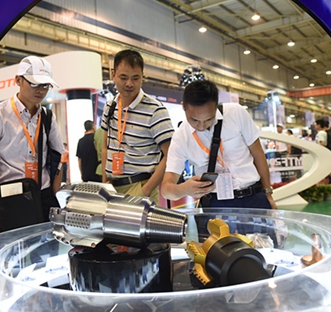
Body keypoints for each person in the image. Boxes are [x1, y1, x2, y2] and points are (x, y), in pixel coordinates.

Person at [0, 55, 65, 236]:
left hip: (43, 197)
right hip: (12, 200)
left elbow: (57, 159)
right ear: (18, 80)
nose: (41, 90)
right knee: (14, 258)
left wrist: (56, 199)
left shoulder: (47, 117)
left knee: (46, 256)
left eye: (45, 85)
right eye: (34, 83)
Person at [162, 80, 276, 209]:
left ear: (216, 107)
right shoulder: (181, 137)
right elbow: (166, 189)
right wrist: (184, 189)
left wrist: (268, 193)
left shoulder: (236, 113)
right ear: (183, 107)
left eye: (209, 119)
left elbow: (258, 153)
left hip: (254, 197)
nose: (201, 125)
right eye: (194, 120)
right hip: (216, 203)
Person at [101, 49, 174, 204]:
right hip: (111, 187)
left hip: (139, 186)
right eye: (123, 77)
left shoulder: (155, 110)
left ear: (142, 77)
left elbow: (171, 154)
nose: (129, 83)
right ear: (113, 74)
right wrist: (104, 181)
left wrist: (145, 190)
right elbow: (105, 146)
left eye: (135, 78)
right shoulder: (110, 106)